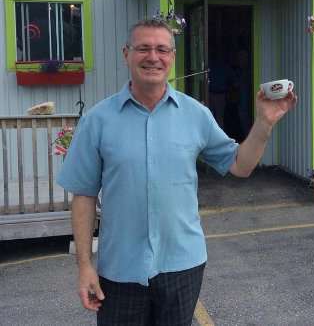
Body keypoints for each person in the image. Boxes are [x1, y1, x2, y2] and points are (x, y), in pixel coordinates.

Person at [57, 19, 297, 326]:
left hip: (183, 265)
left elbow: (240, 165)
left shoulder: (196, 115)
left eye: (162, 49)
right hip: (119, 271)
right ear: (126, 53)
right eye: (143, 48)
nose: (153, 57)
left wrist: (265, 123)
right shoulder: (97, 120)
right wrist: (84, 266)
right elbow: (84, 195)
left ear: (172, 56)